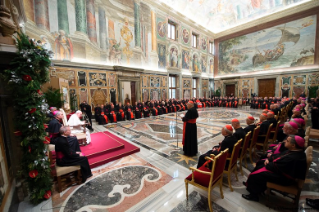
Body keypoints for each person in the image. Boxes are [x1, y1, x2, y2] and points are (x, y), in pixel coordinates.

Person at [242, 135, 307, 202]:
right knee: (260, 163)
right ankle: (258, 188)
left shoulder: (295, 157)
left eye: (287, 141)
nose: (285, 142)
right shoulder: (295, 151)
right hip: (281, 172)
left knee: (258, 175)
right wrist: (269, 160)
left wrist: (268, 163)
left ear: (293, 145)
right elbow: (279, 156)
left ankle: (253, 195)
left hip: (285, 178)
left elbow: (279, 167)